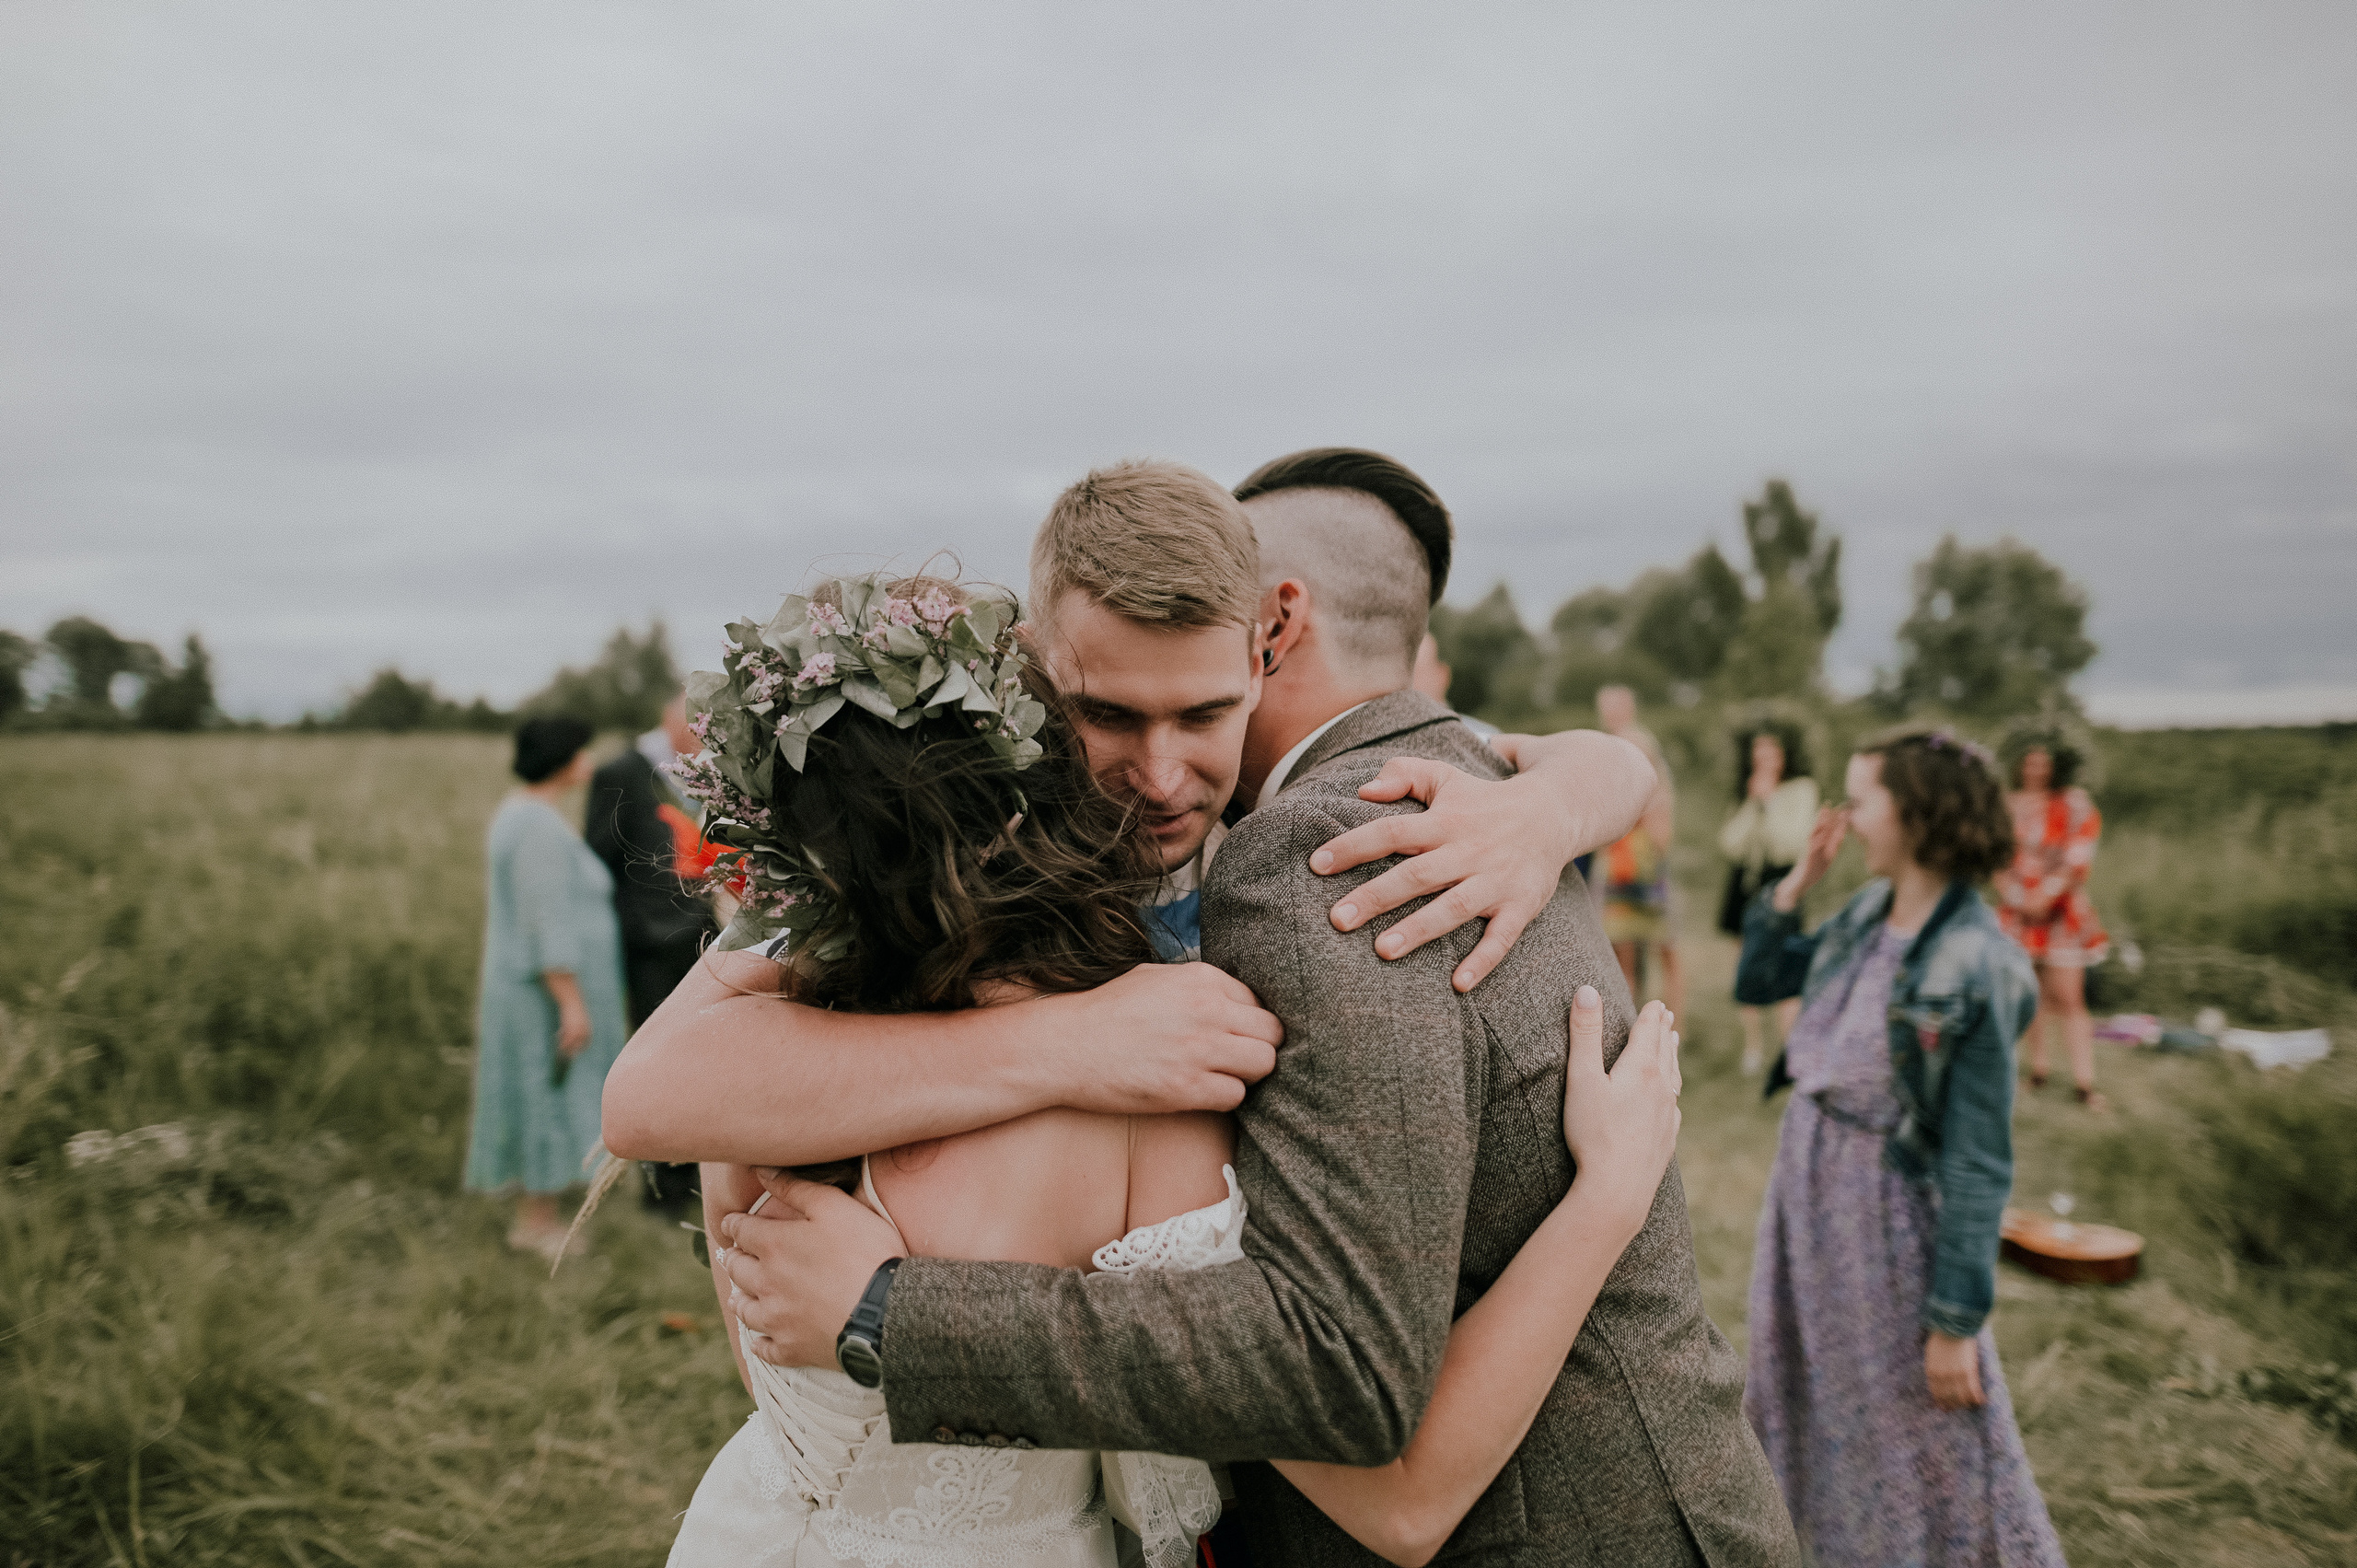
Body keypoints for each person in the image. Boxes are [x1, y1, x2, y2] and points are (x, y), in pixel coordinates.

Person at [645, 452, 1797, 1566]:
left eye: (1203, 713)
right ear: (1034, 671)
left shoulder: (1362, 831)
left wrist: (1568, 797)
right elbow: (651, 1095)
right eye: (1107, 713)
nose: (1160, 773)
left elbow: (1372, 1447)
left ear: (1267, 640)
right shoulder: (955, 876)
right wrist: (1064, 1043)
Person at [1735, 728, 2064, 1567]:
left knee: (1917, 1432)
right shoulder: (1862, 916)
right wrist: (1798, 881)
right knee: (1817, 1406)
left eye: (1864, 796)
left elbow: (1980, 1159)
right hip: (1807, 1201)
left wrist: (1956, 1321)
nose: (1847, 814)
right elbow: (1759, 979)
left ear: (1916, 815)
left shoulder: (1981, 961)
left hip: (1885, 1221)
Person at [464, 715, 631, 1260]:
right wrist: (571, 1002)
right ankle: (539, 1224)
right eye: (583, 749)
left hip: (537, 990)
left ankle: (537, 1218)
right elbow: (545, 922)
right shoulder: (534, 825)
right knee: (545, 1093)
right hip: (541, 996)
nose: (589, 759)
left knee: (545, 1091)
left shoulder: (529, 815)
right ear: (564, 758)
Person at [586, 691, 720, 1205]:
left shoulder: (707, 769)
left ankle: (696, 1176)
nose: (707, 734)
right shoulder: (622, 772)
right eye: (699, 724)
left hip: (699, 934)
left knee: (697, 1057)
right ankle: (661, 1189)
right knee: (653, 1058)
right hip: (646, 938)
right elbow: (598, 854)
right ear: (672, 721)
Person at [1996, 721, 2110, 1111]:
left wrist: (2046, 893)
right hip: (2018, 911)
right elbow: (1996, 858)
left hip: (2061, 912)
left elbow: (2079, 855)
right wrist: (2016, 895)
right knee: (2030, 995)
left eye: (2043, 763)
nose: (2036, 770)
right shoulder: (2006, 805)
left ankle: (2084, 1082)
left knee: (2069, 997)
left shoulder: (2073, 803)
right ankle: (2038, 1069)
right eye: (2030, 762)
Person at [1717, 714, 1817, 1074]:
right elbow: (1730, 844)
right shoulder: (1747, 789)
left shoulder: (1801, 790)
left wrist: (1771, 802)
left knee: (1783, 963)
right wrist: (1753, 803)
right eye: (1758, 748)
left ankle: (1790, 1047)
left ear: (1784, 753)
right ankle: (1753, 1047)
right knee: (1745, 963)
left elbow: (1788, 846)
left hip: (1782, 881)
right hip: (1745, 882)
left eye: (1771, 748)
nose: (1764, 755)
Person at [1596, 683, 1684, 1017]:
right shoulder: (1608, 749)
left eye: (1613, 706)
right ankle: (1630, 1020)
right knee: (1622, 958)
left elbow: (1663, 838)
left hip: (1649, 877)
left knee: (1666, 951)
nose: (1608, 714)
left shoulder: (1640, 744)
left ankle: (1675, 1023)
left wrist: (1644, 815)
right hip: (1620, 876)